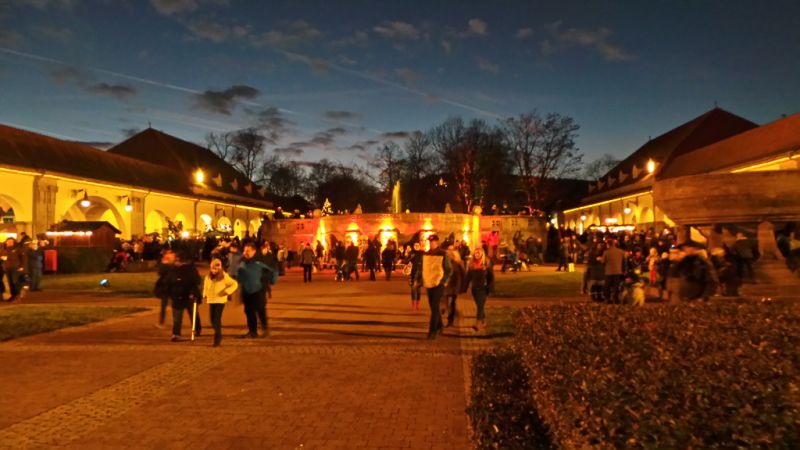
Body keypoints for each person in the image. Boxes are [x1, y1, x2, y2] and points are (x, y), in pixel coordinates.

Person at [237, 242, 274, 338]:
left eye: (248, 251)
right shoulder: (242, 261)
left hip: (259, 290)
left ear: (254, 251)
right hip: (246, 290)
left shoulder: (260, 261)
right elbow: (240, 275)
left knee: (260, 309)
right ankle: (252, 331)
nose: (245, 253)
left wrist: (266, 282)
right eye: (244, 250)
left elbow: (272, 272)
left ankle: (265, 329)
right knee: (249, 311)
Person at [165, 252, 202, 341]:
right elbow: (168, 282)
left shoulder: (190, 269)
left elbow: (196, 281)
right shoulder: (172, 270)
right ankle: (176, 333)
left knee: (193, 314)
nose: (177, 262)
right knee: (177, 317)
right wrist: (170, 293)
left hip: (189, 296)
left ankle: (197, 328)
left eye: (178, 260)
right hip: (177, 296)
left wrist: (193, 293)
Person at [203, 258, 238, 347]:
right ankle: (218, 331)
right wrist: (205, 294)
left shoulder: (224, 276)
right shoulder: (208, 276)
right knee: (212, 320)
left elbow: (234, 284)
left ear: (219, 268)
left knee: (217, 319)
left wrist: (227, 291)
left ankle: (217, 338)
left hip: (220, 300)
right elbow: (206, 286)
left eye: (215, 268)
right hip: (211, 299)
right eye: (212, 268)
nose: (213, 270)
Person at [422, 235, 452, 340]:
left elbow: (449, 269)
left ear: (437, 242)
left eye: (433, 242)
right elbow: (424, 269)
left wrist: (443, 282)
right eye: (430, 242)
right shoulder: (426, 254)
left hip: (438, 284)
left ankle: (432, 331)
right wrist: (420, 280)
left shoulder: (443, 254)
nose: (431, 244)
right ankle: (439, 326)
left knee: (434, 307)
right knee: (433, 308)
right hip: (429, 283)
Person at [465, 248, 493, 332]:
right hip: (475, 289)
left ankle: (478, 323)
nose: (476, 255)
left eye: (478, 253)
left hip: (483, 288)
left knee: (480, 306)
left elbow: (491, 278)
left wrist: (490, 288)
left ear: (482, 254)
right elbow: (468, 278)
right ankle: (484, 321)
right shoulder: (472, 265)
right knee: (479, 306)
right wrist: (464, 287)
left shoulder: (486, 264)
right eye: (475, 253)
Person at [444, 246, 466, 328]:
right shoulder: (444, 263)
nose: (449, 255)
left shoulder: (457, 264)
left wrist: (461, 287)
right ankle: (448, 315)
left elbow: (462, 276)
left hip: (454, 287)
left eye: (450, 254)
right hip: (446, 286)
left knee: (452, 303)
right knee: (445, 304)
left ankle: (450, 319)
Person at [153, 250, 176, 329]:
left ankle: (163, 322)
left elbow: (160, 273)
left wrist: (164, 263)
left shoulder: (168, 265)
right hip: (169, 286)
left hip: (168, 286)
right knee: (170, 304)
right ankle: (171, 321)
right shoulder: (173, 264)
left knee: (166, 305)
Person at [0, 238, 26, 302]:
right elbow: (2, 258)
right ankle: (13, 295)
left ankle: (18, 294)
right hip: (7, 268)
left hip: (15, 267)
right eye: (8, 241)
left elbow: (23, 258)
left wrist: (22, 266)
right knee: (10, 282)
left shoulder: (17, 249)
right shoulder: (3, 250)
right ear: (6, 242)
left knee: (15, 281)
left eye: (11, 241)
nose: (9, 243)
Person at [602, 239, 626, 304]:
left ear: (608, 244)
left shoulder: (606, 252)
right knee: (616, 286)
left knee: (607, 286)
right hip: (618, 271)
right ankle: (615, 298)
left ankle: (607, 298)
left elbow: (603, 262)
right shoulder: (621, 252)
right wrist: (623, 270)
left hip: (609, 271)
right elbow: (624, 262)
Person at [407, 242, 424, 310]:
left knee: (418, 290)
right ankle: (413, 304)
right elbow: (407, 261)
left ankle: (417, 305)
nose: (416, 246)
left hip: (420, 273)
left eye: (418, 245)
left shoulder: (422, 253)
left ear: (420, 246)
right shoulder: (411, 253)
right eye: (415, 245)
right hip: (413, 273)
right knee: (413, 290)